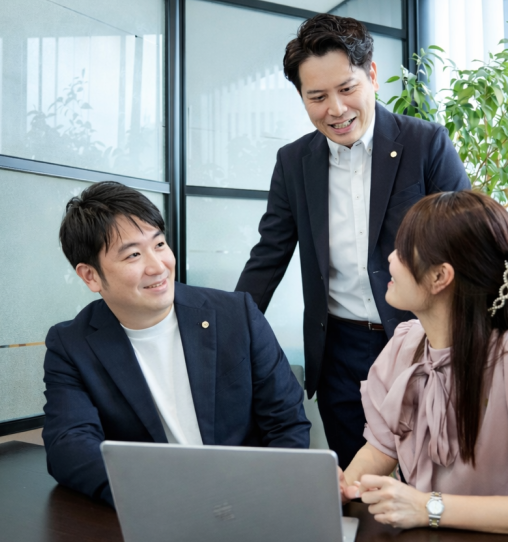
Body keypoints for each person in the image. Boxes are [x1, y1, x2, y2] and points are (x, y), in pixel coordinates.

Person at [235, 14, 470, 469]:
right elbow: (269, 255)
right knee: (353, 484)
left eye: (347, 89)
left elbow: (468, 243)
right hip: (338, 349)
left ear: (372, 75)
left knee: (430, 475)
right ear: (302, 97)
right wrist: (225, 331)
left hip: (422, 339)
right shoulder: (294, 162)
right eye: (317, 97)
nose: (336, 109)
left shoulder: (425, 144)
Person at [339, 190, 508, 537]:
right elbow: (380, 449)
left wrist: (427, 507)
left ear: (440, 277)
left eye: (402, 251)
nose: (389, 258)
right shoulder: (405, 343)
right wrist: (343, 487)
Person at [42, 181, 310, 506]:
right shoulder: (71, 345)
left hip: (250, 499)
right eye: (133, 255)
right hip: (158, 505)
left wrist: (272, 495)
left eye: (159, 244)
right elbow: (69, 445)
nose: (157, 266)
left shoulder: (235, 315)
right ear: (90, 276)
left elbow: (286, 423)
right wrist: (162, 495)